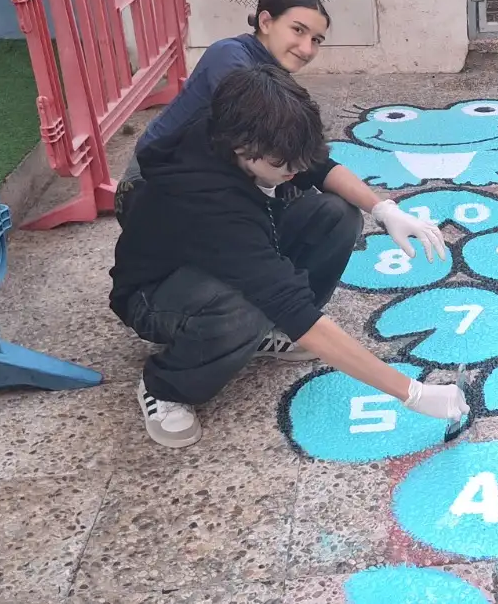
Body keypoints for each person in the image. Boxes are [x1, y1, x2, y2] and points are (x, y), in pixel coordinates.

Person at [109, 64, 467, 447]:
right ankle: (165, 386)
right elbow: (291, 306)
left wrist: (384, 209)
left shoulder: (253, 129)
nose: (295, 171)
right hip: (155, 294)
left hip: (221, 257)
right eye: (282, 164)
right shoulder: (208, 199)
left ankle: (263, 335)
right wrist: (412, 393)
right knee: (244, 309)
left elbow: (320, 167)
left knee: (336, 215)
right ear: (241, 149)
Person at [116, 0, 332, 218]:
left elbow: (305, 152)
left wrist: (366, 202)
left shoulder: (274, 72)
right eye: (298, 30)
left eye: (316, 40)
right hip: (149, 183)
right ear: (266, 22)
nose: (307, 49)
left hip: (204, 177)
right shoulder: (230, 57)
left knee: (320, 207)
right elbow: (279, 140)